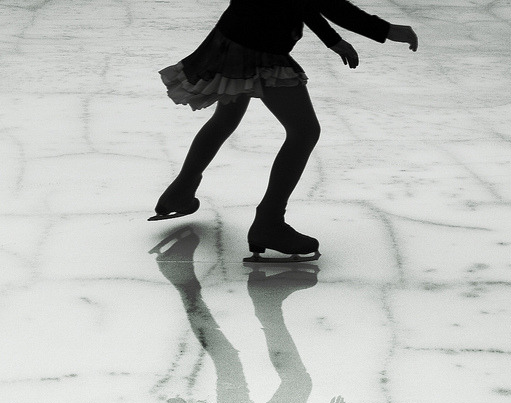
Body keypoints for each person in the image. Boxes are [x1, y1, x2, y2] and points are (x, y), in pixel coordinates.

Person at [150, 0, 418, 262]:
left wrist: (331, 38)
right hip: (260, 44)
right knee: (304, 131)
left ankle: (180, 191)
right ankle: (269, 223)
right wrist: (386, 30)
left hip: (236, 34)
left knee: (226, 117)